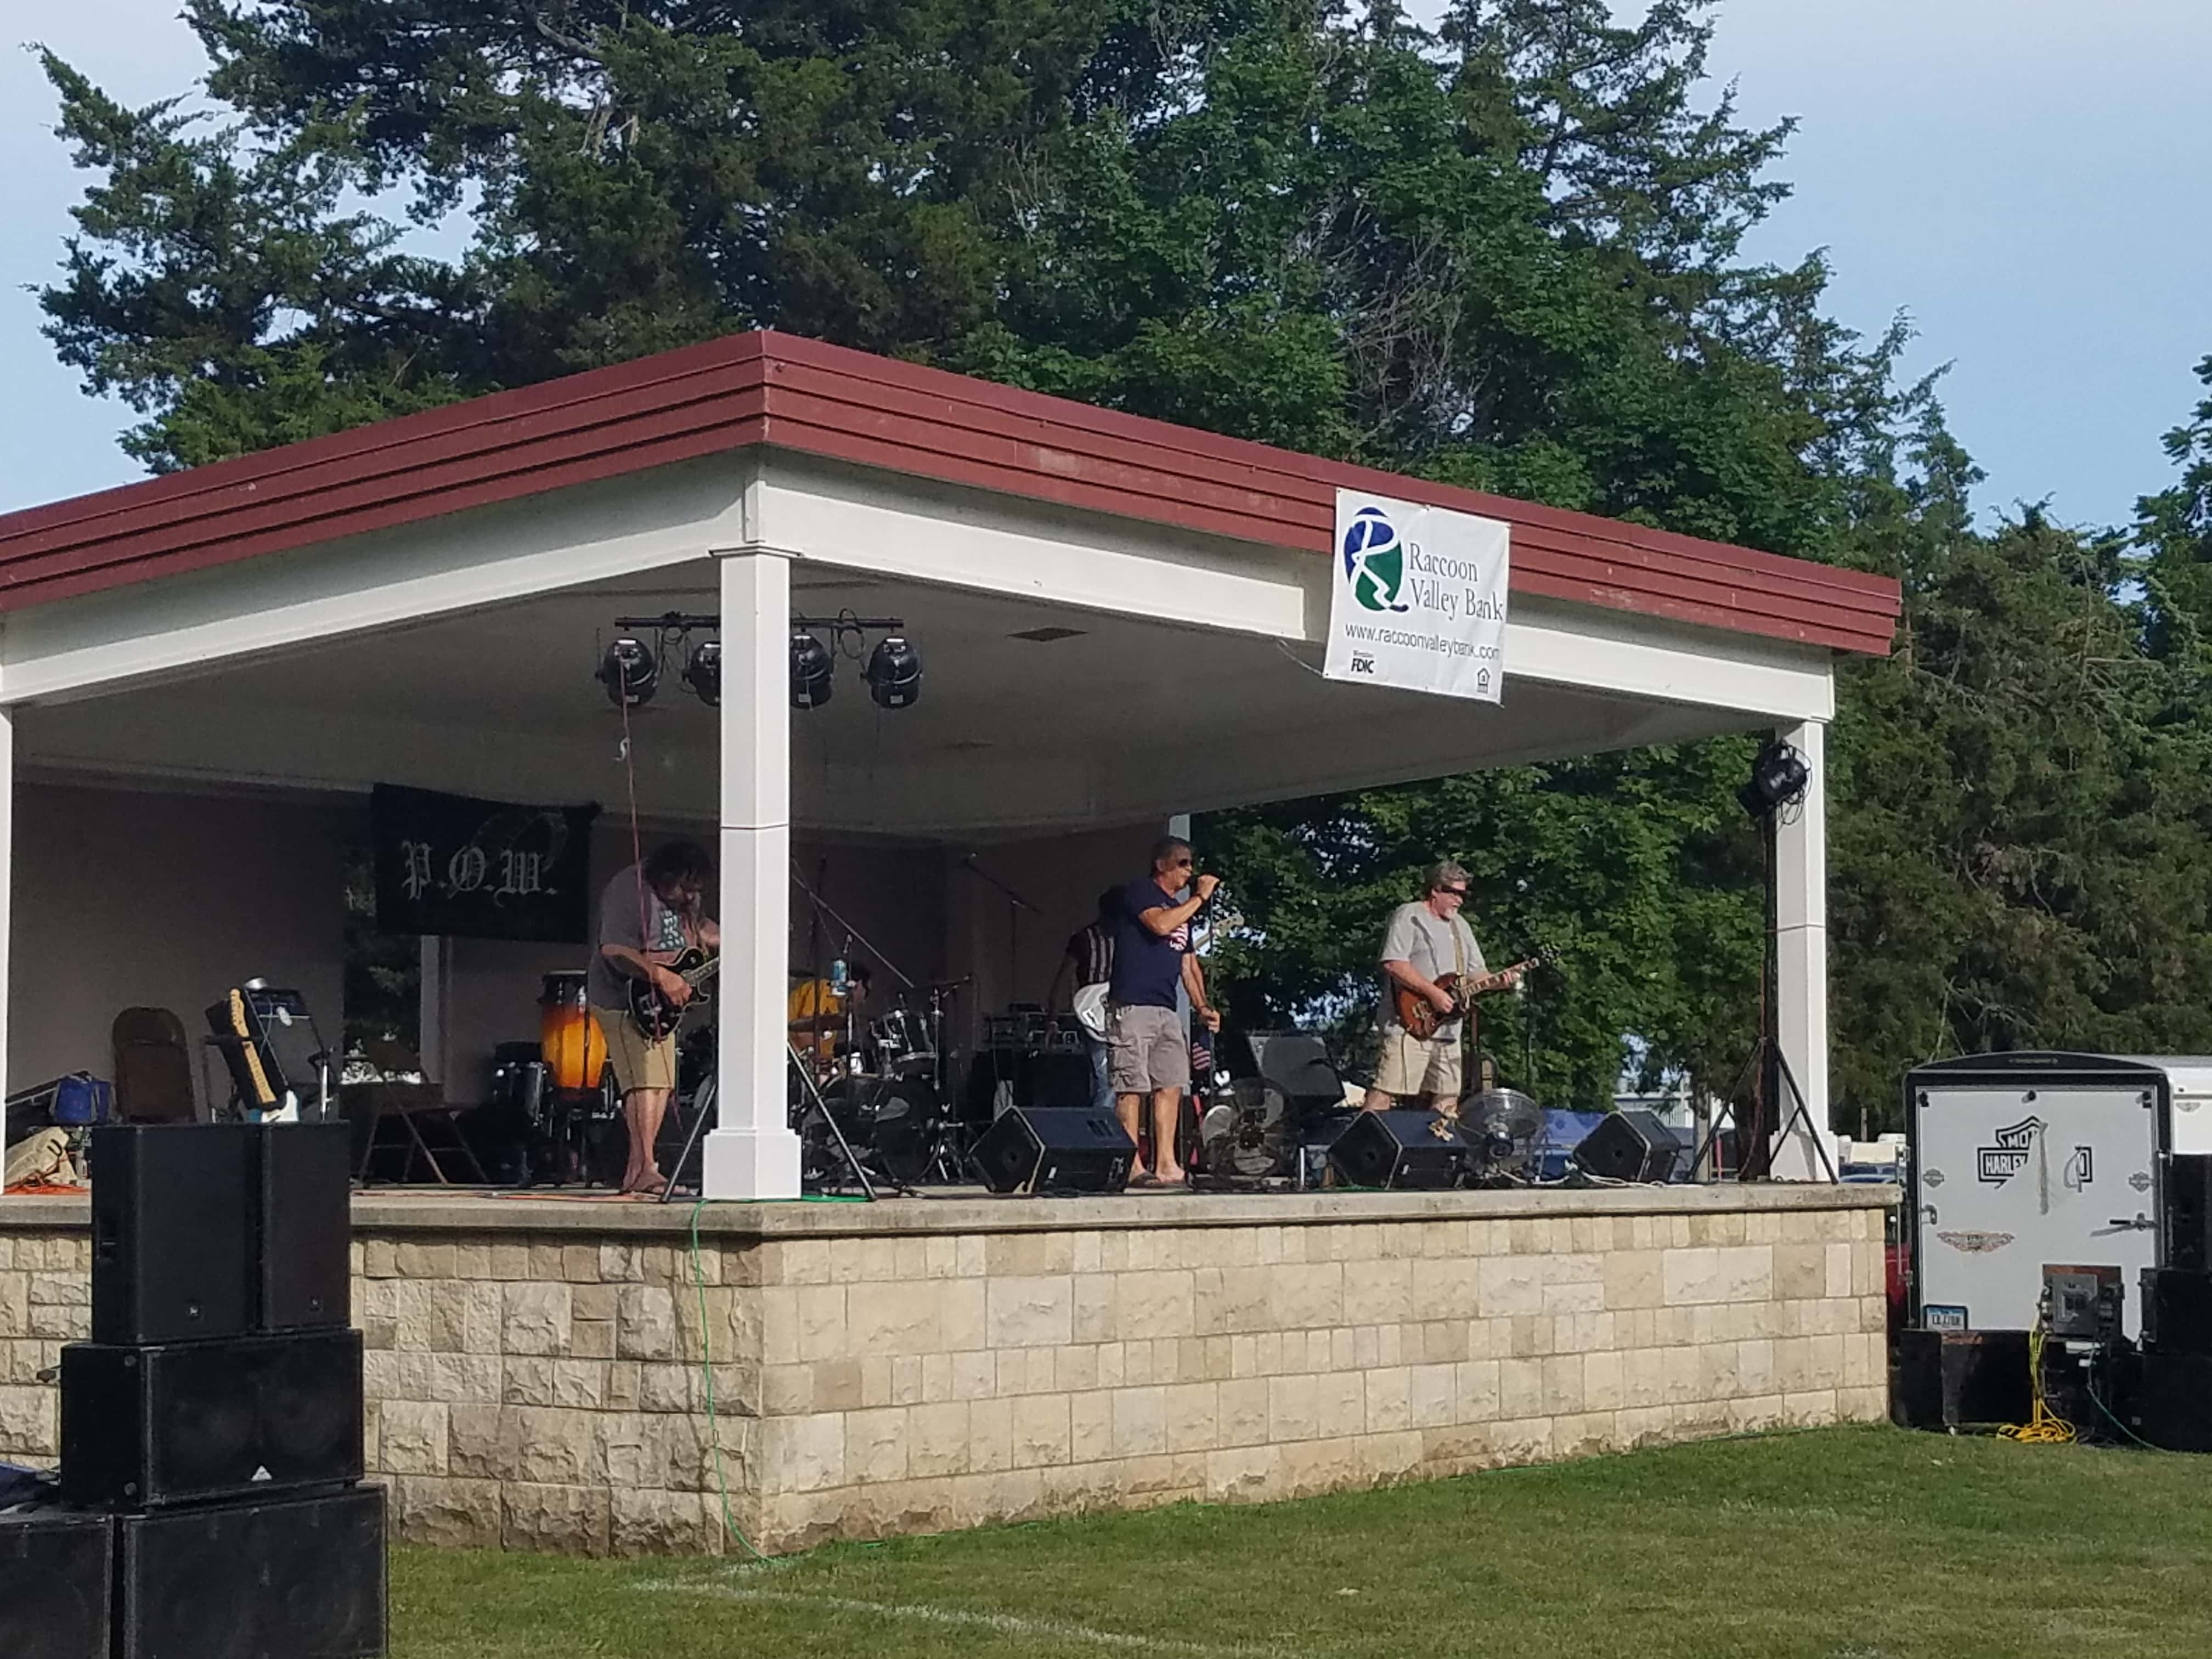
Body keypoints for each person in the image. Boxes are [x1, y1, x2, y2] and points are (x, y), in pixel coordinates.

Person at [590, 841, 718, 1194]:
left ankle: (640, 1171)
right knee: (644, 1081)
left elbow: (698, 930)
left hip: (663, 1006)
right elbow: (614, 949)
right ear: (666, 874)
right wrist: (661, 976)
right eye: (683, 887)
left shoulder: (686, 901)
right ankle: (645, 1167)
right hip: (623, 997)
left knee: (661, 1083)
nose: (689, 896)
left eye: (695, 889)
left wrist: (731, 938)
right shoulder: (629, 889)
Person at [1364, 859, 1522, 1116]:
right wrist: (1434, 993)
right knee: (1386, 1091)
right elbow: (1394, 963)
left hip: (1449, 1029)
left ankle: (1438, 1142)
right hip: (1408, 1024)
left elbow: (1476, 973)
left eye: (1464, 895)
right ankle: (1359, 1141)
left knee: (1448, 1099)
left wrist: (1498, 981)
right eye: (1454, 893)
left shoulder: (1461, 926)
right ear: (1435, 890)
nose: (1459, 900)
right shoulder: (1410, 915)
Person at [1107, 837, 1221, 1187]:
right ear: (1161, 865)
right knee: (1132, 1086)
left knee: (1170, 1084)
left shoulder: (1181, 911)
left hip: (1166, 1008)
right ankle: (1132, 1164)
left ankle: (1167, 1163)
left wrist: (1202, 1006)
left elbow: (1189, 965)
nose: (1190, 871)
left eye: (1191, 864)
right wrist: (1199, 899)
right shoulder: (1140, 891)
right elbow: (1159, 925)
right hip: (1133, 1004)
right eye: (1183, 863)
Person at [1049, 889, 1121, 1112]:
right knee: (1106, 1079)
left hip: (1121, 1014)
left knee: (1115, 1080)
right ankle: (1100, 1126)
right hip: (1094, 1015)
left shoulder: (1127, 939)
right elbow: (1063, 979)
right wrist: (1053, 1019)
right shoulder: (1084, 939)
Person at [787, 962, 872, 1068]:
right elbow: (804, 1036)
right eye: (867, 992)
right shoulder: (824, 989)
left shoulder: (836, 1016)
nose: (864, 1001)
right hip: (789, 1056)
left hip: (805, 1064)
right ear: (857, 986)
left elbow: (826, 1055)